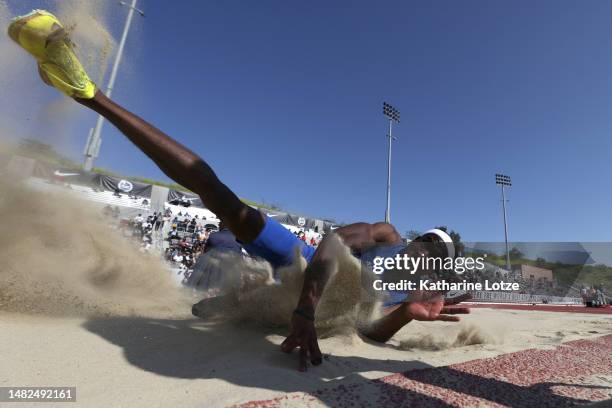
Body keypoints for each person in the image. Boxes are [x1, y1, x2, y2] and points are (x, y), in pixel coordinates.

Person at [9, 10, 471, 372]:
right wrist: (307, 310)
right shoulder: (386, 234)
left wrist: (407, 315)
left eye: (438, 258)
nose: (428, 257)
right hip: (307, 267)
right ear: (417, 238)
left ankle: (241, 304)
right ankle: (89, 93)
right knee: (223, 200)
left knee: (216, 310)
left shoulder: (414, 287)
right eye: (429, 244)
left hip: (325, 310)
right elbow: (331, 246)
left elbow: (370, 334)